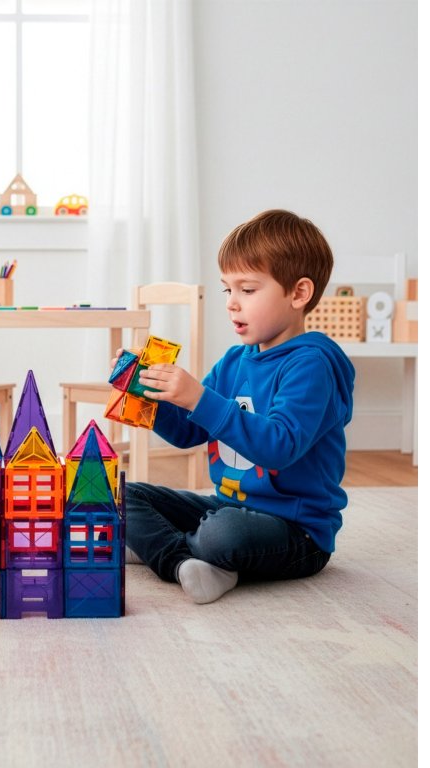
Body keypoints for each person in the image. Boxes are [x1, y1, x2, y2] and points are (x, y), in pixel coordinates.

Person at [120, 209, 355, 604]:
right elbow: (188, 432)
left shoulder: (312, 364)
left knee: (221, 533)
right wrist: (147, 393)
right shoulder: (234, 361)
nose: (231, 303)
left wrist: (198, 397)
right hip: (228, 506)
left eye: (247, 290)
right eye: (227, 290)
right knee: (120, 495)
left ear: (298, 294)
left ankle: (163, 546)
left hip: (296, 531)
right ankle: (183, 561)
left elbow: (279, 446)